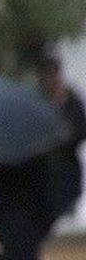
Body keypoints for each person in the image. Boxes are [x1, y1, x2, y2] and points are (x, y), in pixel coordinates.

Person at [39, 52, 86, 221]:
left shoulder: (72, 100)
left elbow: (81, 131)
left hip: (68, 174)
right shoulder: (35, 102)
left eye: (53, 73)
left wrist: (63, 137)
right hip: (42, 176)